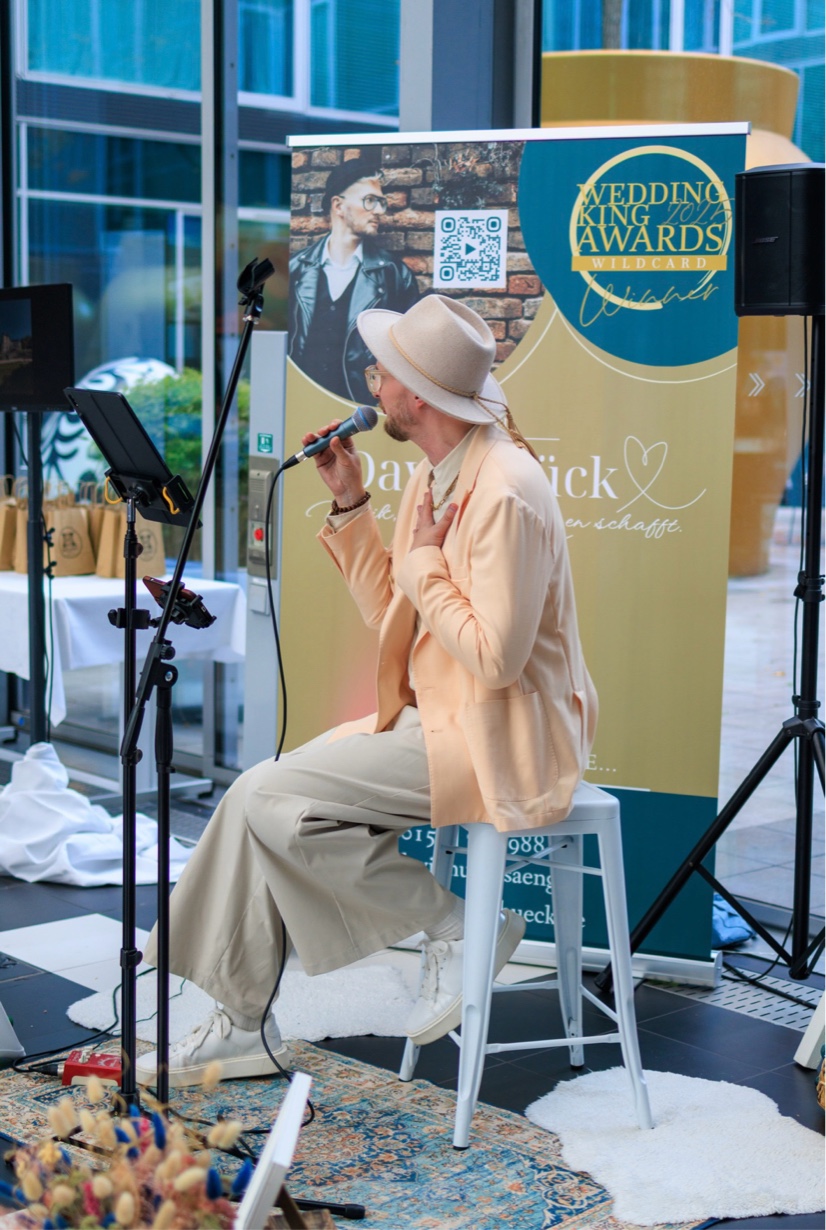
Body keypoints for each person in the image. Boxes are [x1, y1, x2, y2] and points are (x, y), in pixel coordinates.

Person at [138, 294, 597, 1088]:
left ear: (417, 393)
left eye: (382, 369)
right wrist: (353, 506)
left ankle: (458, 928)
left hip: (502, 733)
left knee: (264, 798)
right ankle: (243, 1021)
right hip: (437, 717)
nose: (371, 382)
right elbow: (400, 615)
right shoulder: (434, 475)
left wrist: (422, 564)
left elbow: (494, 659)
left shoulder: (506, 490)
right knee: (263, 798)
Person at [288, 154, 420, 405]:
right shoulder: (295, 269)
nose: (379, 211)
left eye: (381, 202)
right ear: (338, 206)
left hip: (363, 412)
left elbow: (408, 357)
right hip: (301, 407)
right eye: (370, 201)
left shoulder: (394, 275)